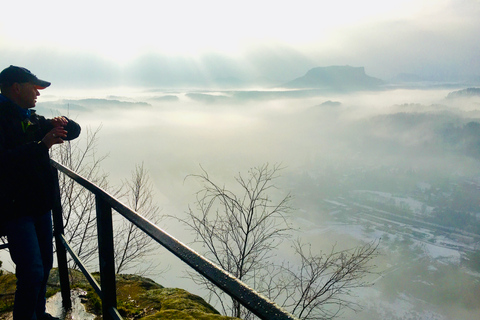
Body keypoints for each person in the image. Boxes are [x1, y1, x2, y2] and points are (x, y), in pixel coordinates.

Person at [0, 65, 81, 320]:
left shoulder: (31, 118)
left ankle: (38, 313)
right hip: (15, 210)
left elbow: (74, 132)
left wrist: (63, 122)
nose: (38, 93)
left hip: (39, 207)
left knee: (44, 266)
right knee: (32, 270)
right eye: (34, 88)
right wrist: (42, 145)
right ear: (16, 88)